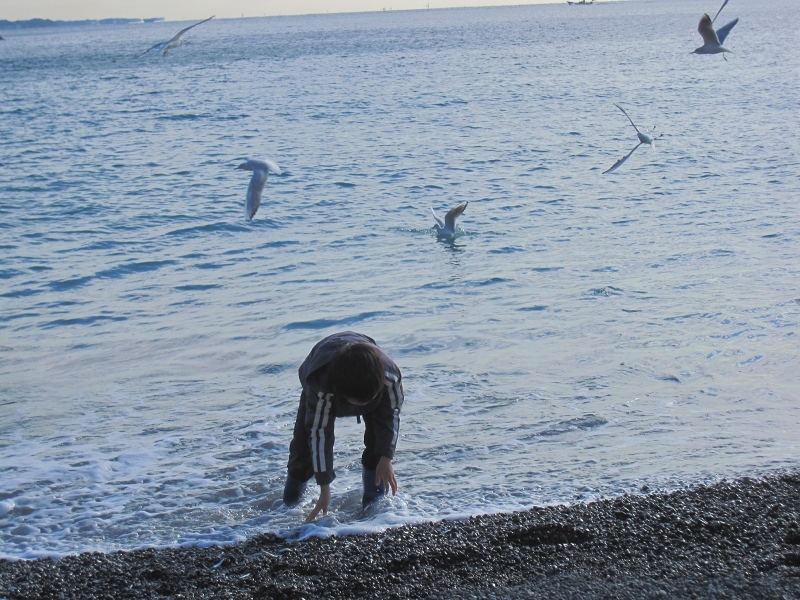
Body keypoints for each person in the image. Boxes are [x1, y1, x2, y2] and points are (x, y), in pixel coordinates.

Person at [282, 331, 404, 522]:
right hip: (324, 374)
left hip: (371, 381)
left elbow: (391, 416)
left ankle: (373, 510)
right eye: (356, 403)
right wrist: (324, 487)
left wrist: (386, 457)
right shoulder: (321, 384)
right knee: (302, 453)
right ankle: (288, 508)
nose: (359, 409)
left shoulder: (390, 377)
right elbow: (319, 433)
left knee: (378, 447)